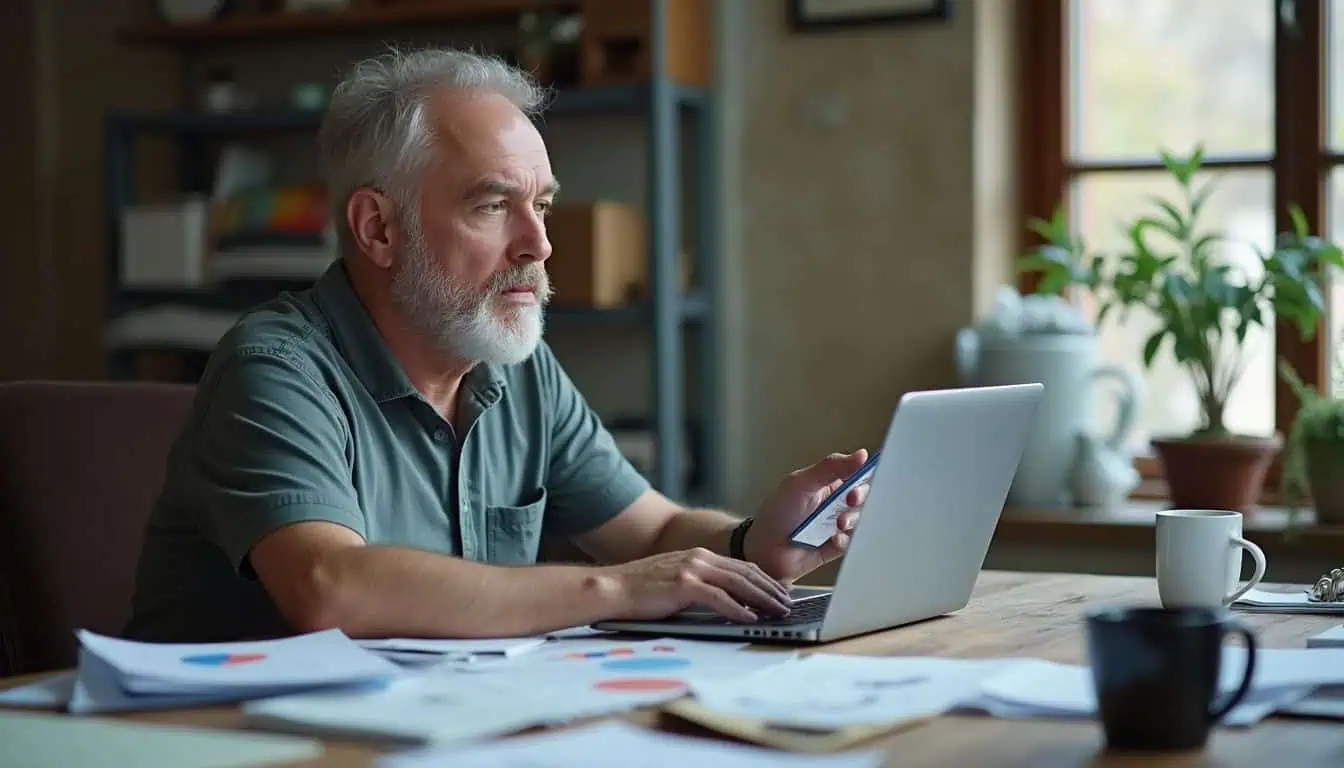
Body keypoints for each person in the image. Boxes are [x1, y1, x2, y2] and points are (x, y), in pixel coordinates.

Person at [123, 47, 868, 644]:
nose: (539, 243)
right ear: (378, 228)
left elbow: (655, 532)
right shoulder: (275, 369)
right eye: (493, 205)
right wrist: (612, 589)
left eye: (541, 205)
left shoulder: (515, 364)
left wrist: (753, 545)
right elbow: (330, 588)